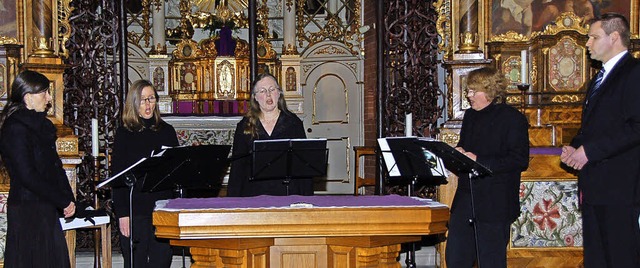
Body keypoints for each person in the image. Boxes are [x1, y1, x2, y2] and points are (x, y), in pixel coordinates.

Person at [560, 13, 640, 267]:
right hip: (597, 187)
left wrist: (589, 152)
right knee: (597, 259)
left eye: (594, 37)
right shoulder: (599, 77)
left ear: (614, 37)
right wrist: (575, 146)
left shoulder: (634, 73)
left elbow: (636, 127)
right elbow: (596, 126)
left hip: (621, 187)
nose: (587, 43)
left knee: (620, 257)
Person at [445, 67, 529, 267]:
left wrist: (479, 159)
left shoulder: (512, 118)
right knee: (456, 257)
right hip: (467, 197)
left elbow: (519, 160)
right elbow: (466, 148)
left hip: (495, 200)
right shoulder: (470, 116)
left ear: (490, 91)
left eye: (474, 91)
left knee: (490, 260)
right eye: (468, 91)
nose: (469, 95)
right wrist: (457, 155)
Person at [0, 70, 76, 267]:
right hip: (27, 210)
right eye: (44, 93)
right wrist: (59, 199)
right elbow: (27, 175)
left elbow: (55, 166)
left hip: (46, 208)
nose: (49, 98)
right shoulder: (14, 128)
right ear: (28, 97)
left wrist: (68, 199)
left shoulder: (43, 126)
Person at [112, 79, 178, 268]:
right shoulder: (124, 133)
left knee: (162, 261)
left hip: (162, 209)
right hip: (135, 210)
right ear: (133, 102)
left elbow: (175, 172)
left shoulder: (167, 131)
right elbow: (118, 177)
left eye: (151, 99)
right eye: (142, 100)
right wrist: (123, 214)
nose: (148, 105)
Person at [227, 73, 312, 197]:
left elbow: (303, 167)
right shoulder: (244, 126)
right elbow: (237, 169)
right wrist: (233, 202)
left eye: (272, 89)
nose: (268, 94)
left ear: (279, 93)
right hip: (253, 194)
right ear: (255, 97)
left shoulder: (293, 123)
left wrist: (307, 199)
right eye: (262, 91)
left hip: (287, 193)